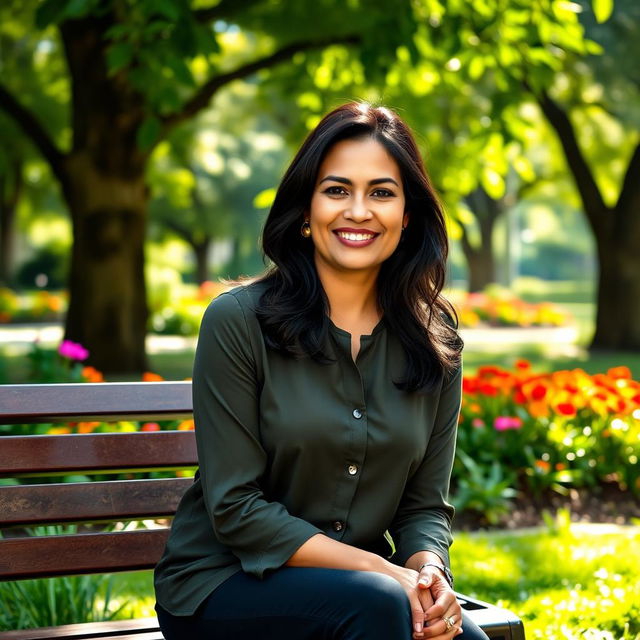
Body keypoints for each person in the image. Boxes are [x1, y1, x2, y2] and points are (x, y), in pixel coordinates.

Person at [154, 101, 488, 640]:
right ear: (306, 210)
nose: (359, 211)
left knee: (460, 636)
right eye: (337, 190)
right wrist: (384, 571)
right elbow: (236, 508)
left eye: (382, 192)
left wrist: (429, 571)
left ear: (408, 214)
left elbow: (424, 505)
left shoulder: (435, 339)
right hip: (223, 585)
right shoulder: (238, 322)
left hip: (365, 592)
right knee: (379, 606)